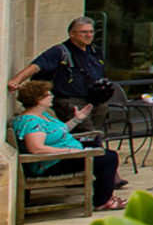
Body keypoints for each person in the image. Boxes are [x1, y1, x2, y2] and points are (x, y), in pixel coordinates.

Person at [12, 80, 126, 212]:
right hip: (50, 163)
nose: (52, 96)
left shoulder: (42, 114)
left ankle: (103, 191)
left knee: (96, 146)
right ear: (39, 100)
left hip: (62, 154)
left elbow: (58, 132)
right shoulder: (31, 122)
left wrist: (77, 119)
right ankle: (102, 201)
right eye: (48, 95)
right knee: (108, 158)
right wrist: (69, 151)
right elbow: (37, 149)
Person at [7, 17, 109, 130]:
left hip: (97, 101)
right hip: (72, 103)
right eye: (83, 32)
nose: (88, 35)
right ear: (72, 33)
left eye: (91, 32)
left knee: (95, 136)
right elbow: (35, 67)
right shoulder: (59, 51)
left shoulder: (95, 51)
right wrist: (16, 81)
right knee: (86, 136)